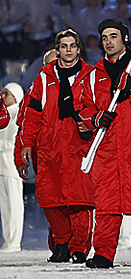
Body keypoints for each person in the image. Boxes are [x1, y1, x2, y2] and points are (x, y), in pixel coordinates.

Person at [78, 19, 131, 268]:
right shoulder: (94, 74)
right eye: (104, 37)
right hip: (107, 146)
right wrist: (96, 118)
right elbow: (83, 107)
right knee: (106, 202)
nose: (108, 41)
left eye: (113, 36)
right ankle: (104, 253)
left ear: (125, 39)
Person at [20, 29, 95, 263]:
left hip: (80, 147)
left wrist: (90, 123)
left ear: (78, 49)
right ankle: (62, 241)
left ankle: (79, 248)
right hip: (50, 147)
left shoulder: (91, 76)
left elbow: (100, 108)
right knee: (50, 200)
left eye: (72, 45)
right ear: (58, 49)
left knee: (81, 202)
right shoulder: (43, 78)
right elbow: (32, 115)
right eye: (64, 46)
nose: (69, 50)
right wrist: (26, 143)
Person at [0, 83, 24, 252]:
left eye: (7, 93)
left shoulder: (17, 115)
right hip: (2, 166)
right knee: (5, 207)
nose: (3, 96)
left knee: (14, 206)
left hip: (12, 166)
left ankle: (14, 242)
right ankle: (9, 242)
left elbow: (14, 141)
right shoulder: (5, 114)